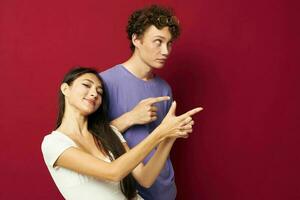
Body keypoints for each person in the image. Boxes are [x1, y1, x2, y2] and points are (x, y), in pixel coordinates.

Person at [41, 67, 202, 200]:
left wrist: (169, 137)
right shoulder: (54, 143)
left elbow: (145, 178)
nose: (94, 93)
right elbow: (113, 172)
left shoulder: (110, 133)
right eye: (86, 85)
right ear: (65, 89)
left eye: (99, 91)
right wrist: (160, 133)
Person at [100, 5, 184, 200]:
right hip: (130, 193)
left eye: (169, 43)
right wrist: (130, 118)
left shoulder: (164, 88)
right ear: (136, 39)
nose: (165, 51)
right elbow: (89, 140)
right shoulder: (104, 83)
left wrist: (175, 129)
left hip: (166, 190)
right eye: (158, 42)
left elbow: (162, 142)